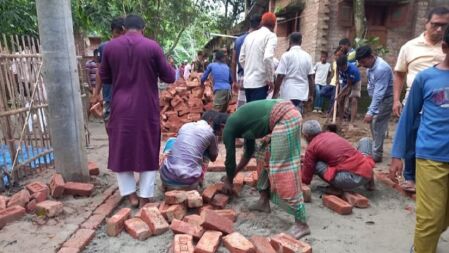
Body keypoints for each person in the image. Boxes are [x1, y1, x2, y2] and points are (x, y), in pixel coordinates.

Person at [98, 15, 175, 207]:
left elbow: (105, 77)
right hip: (146, 106)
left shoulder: (110, 47)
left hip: (120, 105)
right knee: (148, 147)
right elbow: (170, 77)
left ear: (124, 28)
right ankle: (145, 196)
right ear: (144, 28)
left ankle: (130, 194)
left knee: (121, 148)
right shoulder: (152, 47)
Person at [390, 26, 449, 253]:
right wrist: (397, 153)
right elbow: (408, 116)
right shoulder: (426, 78)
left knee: (442, 218)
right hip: (431, 155)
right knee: (430, 218)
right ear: (444, 48)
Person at [222, 99, 310, 239]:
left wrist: (229, 180)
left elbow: (230, 161)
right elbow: (249, 152)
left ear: (220, 126)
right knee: (262, 155)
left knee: (281, 169)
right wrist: (232, 176)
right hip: (283, 116)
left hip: (286, 118)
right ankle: (263, 201)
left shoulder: (229, 127)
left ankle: (301, 223)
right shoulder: (243, 122)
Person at [391, 6, 449, 192]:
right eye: (435, 25)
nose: (439, 29)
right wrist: (396, 100)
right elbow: (399, 74)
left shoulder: (446, 48)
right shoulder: (410, 47)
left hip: (441, 104)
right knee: (412, 138)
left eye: (444, 26)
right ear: (427, 23)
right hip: (415, 98)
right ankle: (410, 177)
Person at [160, 111, 227, 191]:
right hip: (188, 184)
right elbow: (213, 157)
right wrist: (213, 143)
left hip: (167, 179)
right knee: (206, 152)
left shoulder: (185, 126)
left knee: (171, 142)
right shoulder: (210, 134)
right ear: (211, 121)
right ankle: (199, 181)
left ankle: (165, 186)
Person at [301, 120, 375, 191]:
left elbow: (306, 176)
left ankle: (335, 188)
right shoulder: (331, 134)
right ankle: (370, 181)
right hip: (367, 169)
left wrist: (302, 182)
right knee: (365, 141)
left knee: (315, 164)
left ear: (306, 136)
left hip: (348, 179)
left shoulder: (311, 147)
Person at [356, 45, 393, 163]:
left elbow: (379, 93)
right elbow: (372, 86)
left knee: (378, 123)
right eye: (360, 62)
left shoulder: (382, 69)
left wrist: (371, 111)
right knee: (374, 123)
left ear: (371, 57)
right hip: (378, 99)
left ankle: (377, 154)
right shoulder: (369, 68)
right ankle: (376, 149)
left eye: (363, 61)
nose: (362, 65)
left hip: (386, 99)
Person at [92, 17, 125, 125]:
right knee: (110, 125)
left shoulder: (132, 48)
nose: (120, 37)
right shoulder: (104, 47)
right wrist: (96, 93)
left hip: (128, 98)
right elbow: (100, 71)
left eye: (122, 33)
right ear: (112, 32)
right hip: (110, 96)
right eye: (117, 33)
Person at [239, 12, 277, 102]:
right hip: (260, 83)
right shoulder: (271, 36)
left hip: (247, 82)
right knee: (257, 114)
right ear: (274, 25)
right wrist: (270, 80)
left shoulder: (249, 36)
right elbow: (268, 58)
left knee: (250, 112)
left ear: (262, 23)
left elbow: (241, 59)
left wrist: (250, 69)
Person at [273, 32, 314, 114]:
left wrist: (275, 93)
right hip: (302, 94)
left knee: (287, 116)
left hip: (288, 92)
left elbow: (280, 75)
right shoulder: (307, 56)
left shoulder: (286, 55)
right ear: (301, 42)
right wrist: (311, 94)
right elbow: (311, 77)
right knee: (298, 117)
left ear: (290, 42)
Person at [231, 15, 261, 108]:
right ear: (260, 25)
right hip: (257, 78)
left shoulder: (239, 40)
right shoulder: (260, 39)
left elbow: (233, 62)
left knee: (242, 108)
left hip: (242, 77)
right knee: (255, 108)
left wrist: (234, 81)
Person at [320, 46, 347, 114]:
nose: (337, 56)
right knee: (322, 92)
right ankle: (335, 101)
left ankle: (329, 112)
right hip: (332, 82)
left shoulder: (343, 62)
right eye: (336, 55)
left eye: (339, 55)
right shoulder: (334, 63)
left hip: (338, 83)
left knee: (333, 98)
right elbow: (333, 73)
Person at [336, 55, 361, 122]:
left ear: (345, 64)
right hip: (344, 81)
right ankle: (340, 120)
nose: (341, 68)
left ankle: (352, 121)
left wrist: (340, 93)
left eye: (342, 67)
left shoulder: (352, 70)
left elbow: (349, 85)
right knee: (340, 100)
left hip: (355, 82)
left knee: (353, 99)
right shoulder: (339, 66)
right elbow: (337, 70)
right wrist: (337, 79)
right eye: (340, 67)